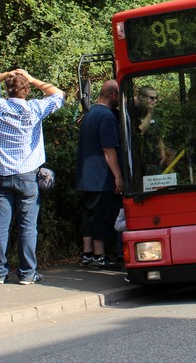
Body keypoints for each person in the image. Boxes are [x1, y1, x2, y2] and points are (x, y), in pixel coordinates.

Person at [0, 68, 64, 285]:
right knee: (27, 226)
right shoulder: (35, 109)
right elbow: (58, 94)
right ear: (26, 91)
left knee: (0, 225)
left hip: (2, 175)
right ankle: (26, 274)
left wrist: (6, 74)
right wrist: (33, 79)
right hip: (27, 176)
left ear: (7, 89)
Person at [76, 79, 124, 269]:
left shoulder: (90, 114)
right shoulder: (107, 117)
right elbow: (108, 150)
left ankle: (87, 254)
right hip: (101, 177)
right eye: (119, 95)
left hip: (85, 176)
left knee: (88, 215)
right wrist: (118, 175)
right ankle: (99, 256)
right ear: (113, 95)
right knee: (100, 216)